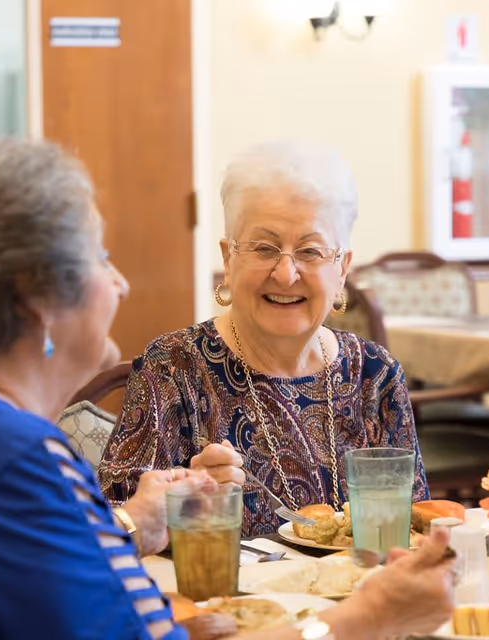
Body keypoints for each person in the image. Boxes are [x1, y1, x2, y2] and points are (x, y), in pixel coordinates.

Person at [0, 139, 455, 640]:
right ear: (36, 297)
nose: (121, 283)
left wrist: (136, 533)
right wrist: (364, 618)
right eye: (101, 257)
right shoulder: (11, 457)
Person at [99, 141, 428, 535]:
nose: (286, 274)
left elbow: (415, 528)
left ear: (342, 268)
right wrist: (184, 504)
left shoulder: (375, 376)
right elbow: (113, 532)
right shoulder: (173, 368)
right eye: (264, 248)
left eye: (310, 251)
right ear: (228, 259)